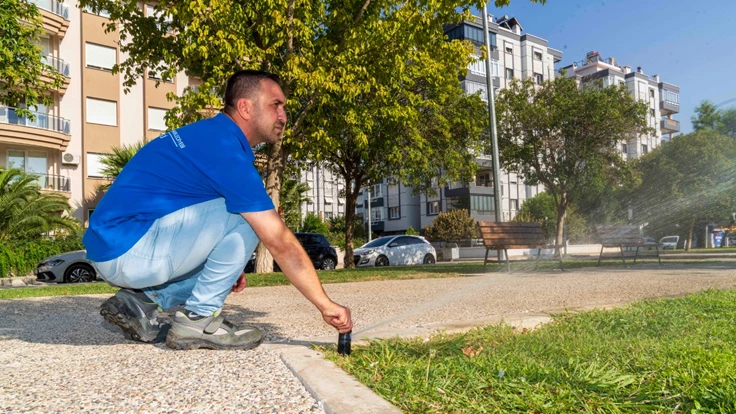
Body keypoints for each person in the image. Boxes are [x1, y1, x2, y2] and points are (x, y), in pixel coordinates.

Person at [84, 70, 353, 350]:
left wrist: (227, 262)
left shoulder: (208, 135)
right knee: (250, 216)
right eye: (276, 105)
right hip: (128, 249)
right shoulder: (225, 151)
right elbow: (280, 242)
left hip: (117, 247)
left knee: (237, 234)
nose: (284, 115)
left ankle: (141, 301)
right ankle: (197, 321)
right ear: (246, 107)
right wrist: (325, 304)